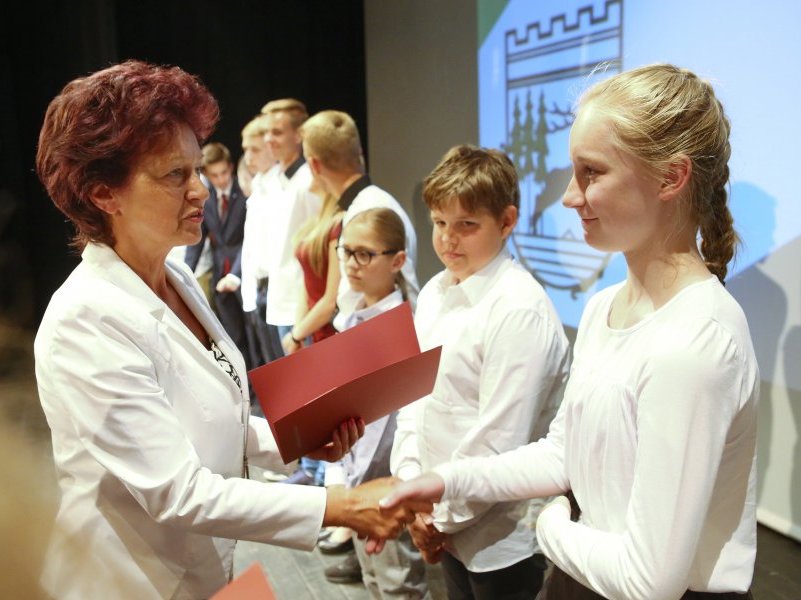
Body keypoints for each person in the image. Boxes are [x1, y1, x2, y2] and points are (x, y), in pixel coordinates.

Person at [33, 59, 422, 600]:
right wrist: (339, 505)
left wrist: (296, 442)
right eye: (175, 175)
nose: (198, 190)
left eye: (196, 169)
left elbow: (214, 421)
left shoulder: (175, 277)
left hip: (197, 569)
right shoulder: (85, 319)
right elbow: (179, 493)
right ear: (104, 194)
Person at [379, 65, 759, 600]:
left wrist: (551, 523)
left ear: (671, 178)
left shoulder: (695, 340)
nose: (569, 196)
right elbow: (564, 453)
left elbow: (648, 580)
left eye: (591, 173)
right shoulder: (605, 307)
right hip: (583, 578)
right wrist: (446, 481)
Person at [390, 145, 570, 599]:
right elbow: (413, 403)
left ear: (506, 222)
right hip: (440, 512)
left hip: (500, 537)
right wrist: (413, 494)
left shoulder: (518, 310)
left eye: (466, 225)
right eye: (439, 223)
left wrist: (436, 515)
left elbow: (500, 439)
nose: (448, 240)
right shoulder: (435, 292)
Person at [322, 208, 430, 597]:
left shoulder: (405, 327)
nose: (351, 263)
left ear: (397, 260)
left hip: (386, 480)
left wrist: (358, 487)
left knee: (397, 582)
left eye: (365, 254)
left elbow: (393, 427)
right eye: (346, 251)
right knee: (372, 580)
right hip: (356, 476)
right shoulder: (353, 316)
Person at [297, 110, 419, 325]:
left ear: (314, 165)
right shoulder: (369, 204)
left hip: (380, 334)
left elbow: (398, 289)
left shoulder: (369, 210)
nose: (352, 263)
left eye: (362, 254)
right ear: (359, 153)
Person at [260, 99, 322, 347]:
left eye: (276, 132)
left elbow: (318, 244)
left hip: (303, 303)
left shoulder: (310, 182)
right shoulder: (272, 181)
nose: (268, 139)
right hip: (279, 297)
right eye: (266, 132)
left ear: (298, 135)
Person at [184, 142, 250, 368]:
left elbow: (251, 239)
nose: (221, 179)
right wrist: (186, 273)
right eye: (214, 175)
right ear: (206, 174)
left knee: (254, 335)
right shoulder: (207, 197)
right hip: (219, 272)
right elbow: (198, 241)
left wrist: (236, 273)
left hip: (245, 270)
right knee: (232, 336)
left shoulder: (245, 191)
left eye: (224, 173)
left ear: (230, 168)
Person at [238, 114, 284, 372]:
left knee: (287, 369)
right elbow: (252, 244)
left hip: (278, 288)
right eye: (245, 149)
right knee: (272, 368)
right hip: (260, 289)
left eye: (254, 149)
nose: (248, 157)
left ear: (270, 147)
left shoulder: (281, 187)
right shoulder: (258, 186)